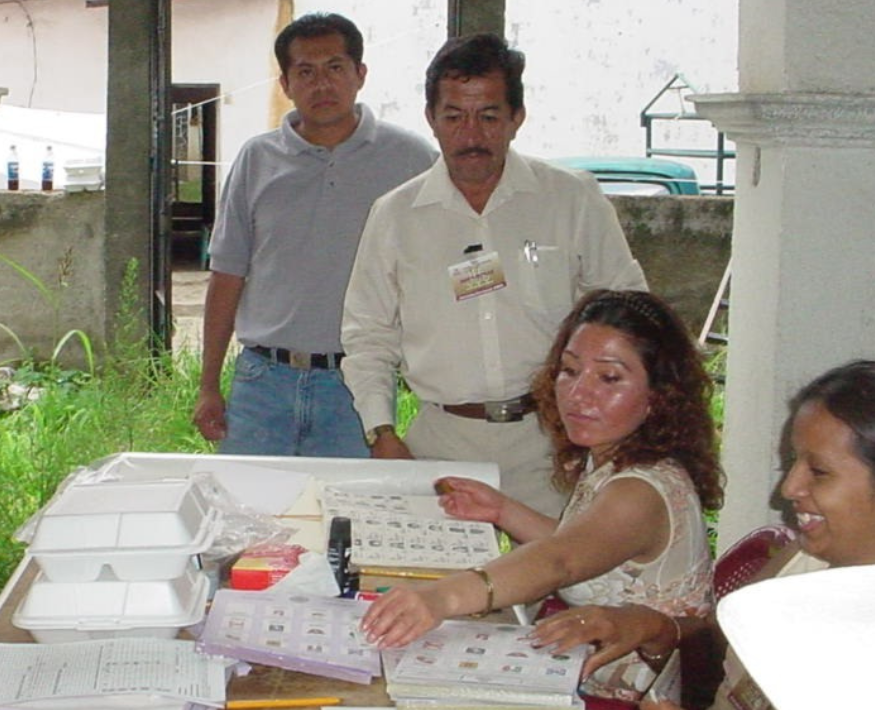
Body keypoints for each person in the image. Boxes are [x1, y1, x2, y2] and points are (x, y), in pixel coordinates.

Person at [360, 290, 724, 704]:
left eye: (609, 378)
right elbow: (589, 547)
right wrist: (501, 510)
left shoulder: (640, 490)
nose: (579, 394)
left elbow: (561, 561)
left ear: (659, 395)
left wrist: (441, 597)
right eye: (569, 371)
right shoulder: (613, 459)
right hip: (580, 678)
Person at [341, 33, 647, 516]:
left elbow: (630, 318)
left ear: (516, 119)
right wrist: (381, 433)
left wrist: (599, 434)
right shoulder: (396, 215)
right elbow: (368, 336)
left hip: (552, 443)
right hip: (440, 446)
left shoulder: (571, 199)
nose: (471, 135)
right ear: (431, 120)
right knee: (444, 587)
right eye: (454, 117)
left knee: (559, 580)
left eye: (488, 116)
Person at [547, 360, 875, 710]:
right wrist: (654, 629)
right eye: (793, 460)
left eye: (819, 471)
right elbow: (720, 661)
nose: (790, 487)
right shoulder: (804, 557)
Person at [192, 12, 437, 458]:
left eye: (335, 68)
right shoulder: (257, 160)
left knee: (345, 517)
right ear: (285, 83)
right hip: (263, 381)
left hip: (356, 386)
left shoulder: (411, 160)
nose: (321, 85)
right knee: (248, 513)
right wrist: (209, 385)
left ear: (360, 75)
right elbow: (227, 275)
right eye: (305, 72)